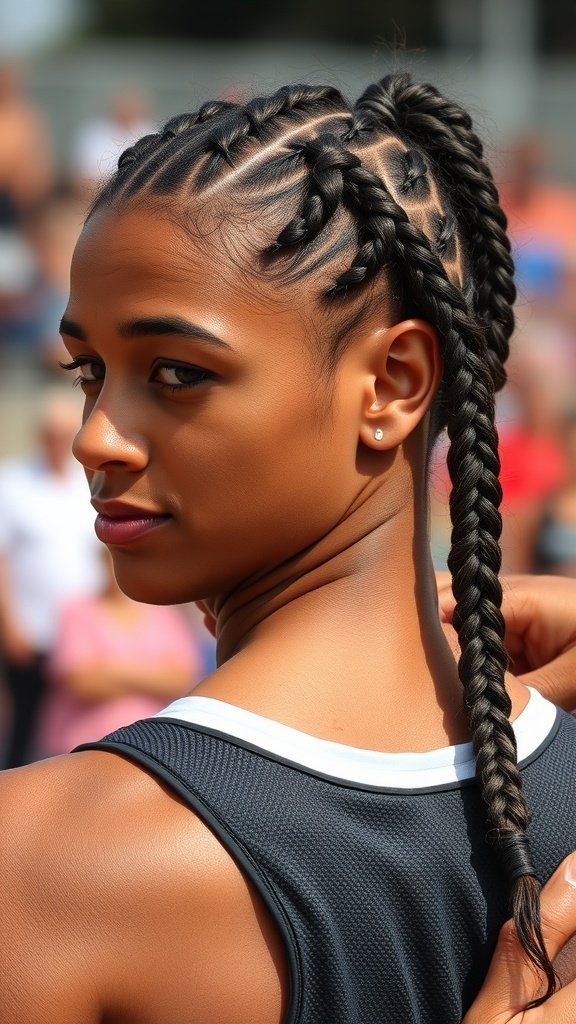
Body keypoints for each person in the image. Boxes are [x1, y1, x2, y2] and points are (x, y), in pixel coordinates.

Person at [1, 73, 575, 1023]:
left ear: (392, 384)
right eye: (90, 372)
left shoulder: (46, 863)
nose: (94, 436)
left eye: (177, 372)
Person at [0, 390, 103, 768]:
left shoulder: (90, 483)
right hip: (33, 630)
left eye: (64, 433)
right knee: (25, 724)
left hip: (86, 634)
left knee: (79, 726)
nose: (57, 442)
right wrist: (10, 625)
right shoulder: (12, 483)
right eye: (51, 433)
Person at [37, 547, 202, 757]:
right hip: (83, 746)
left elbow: (182, 680)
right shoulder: (78, 609)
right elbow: (81, 683)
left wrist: (113, 669)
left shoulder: (164, 613)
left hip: (150, 748)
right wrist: (152, 673)